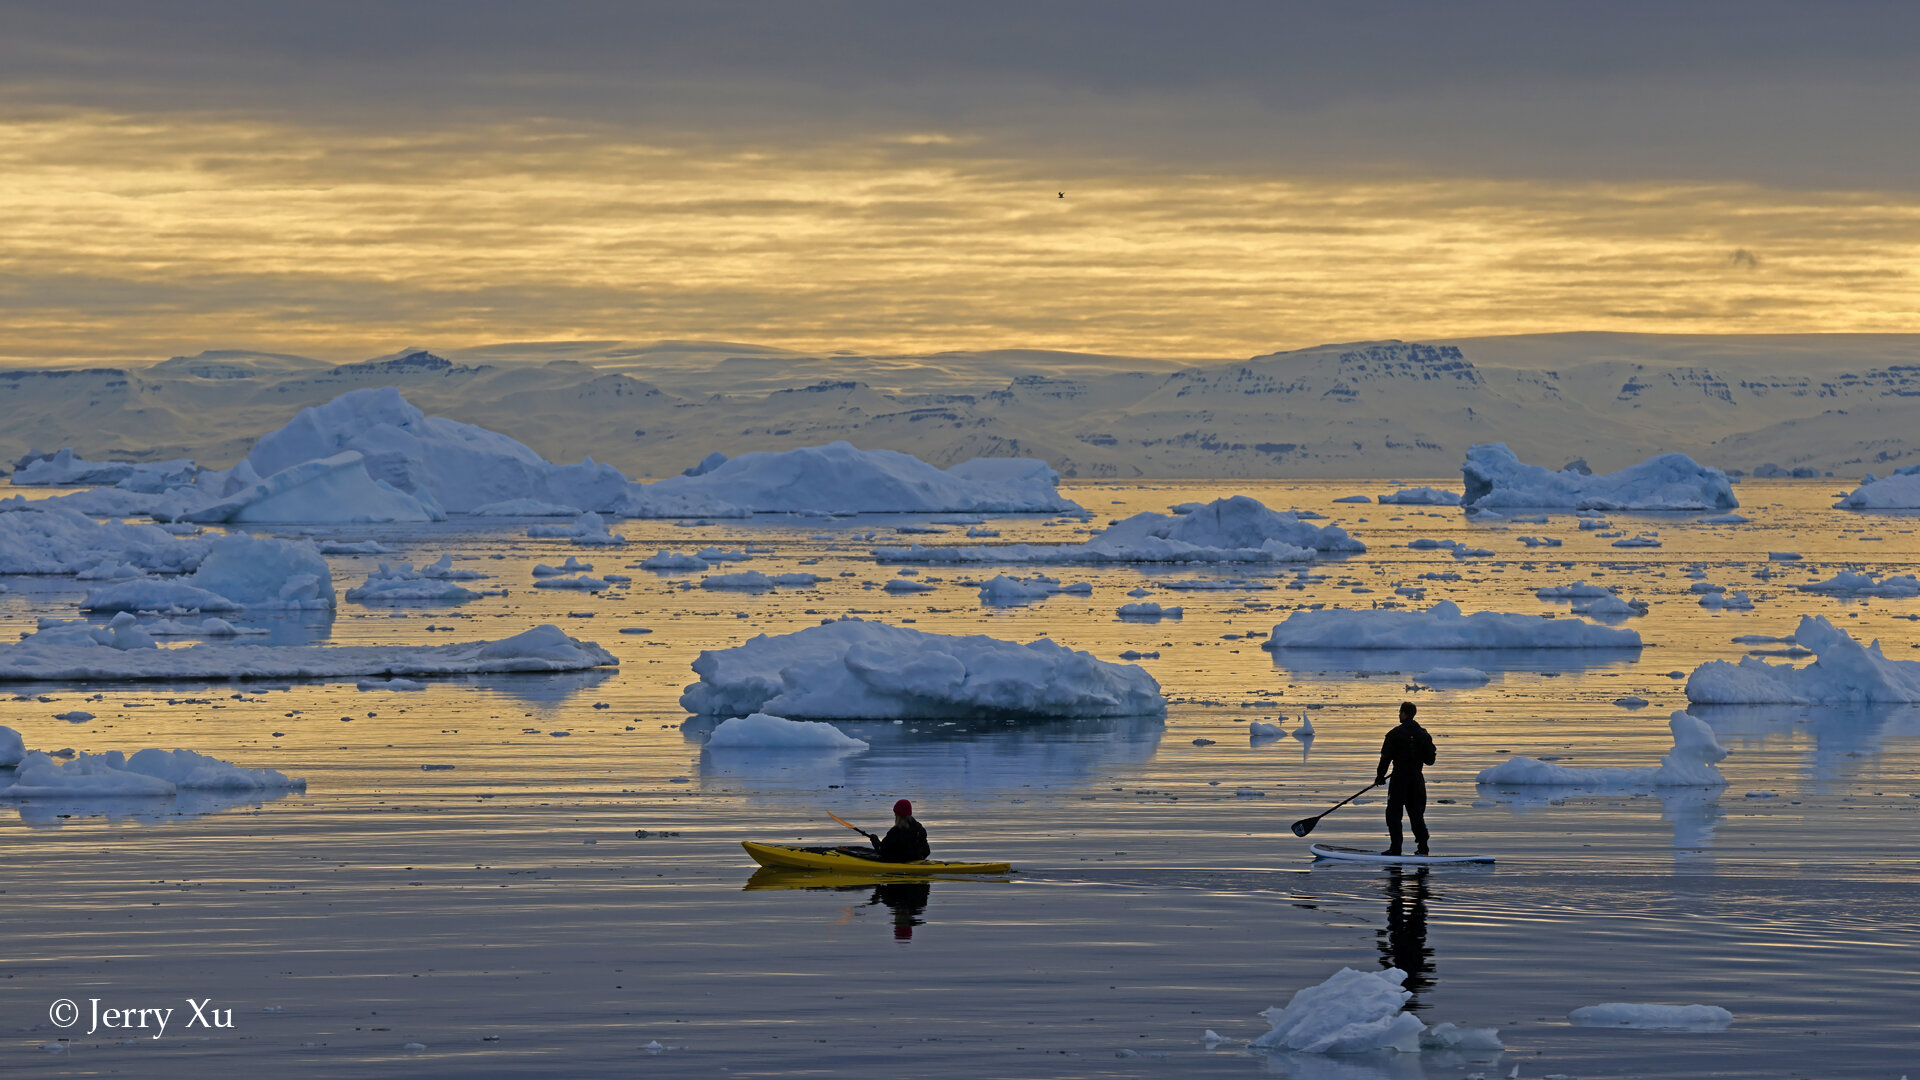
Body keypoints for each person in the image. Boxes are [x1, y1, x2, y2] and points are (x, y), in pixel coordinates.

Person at [1375, 701, 1436, 856]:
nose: (1399, 714)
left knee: (1393, 814)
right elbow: (1430, 760)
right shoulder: (1423, 734)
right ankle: (1423, 846)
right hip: (1416, 779)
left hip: (1399, 779)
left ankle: (1396, 848)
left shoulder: (1394, 734)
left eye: (1400, 712)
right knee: (1416, 814)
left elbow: (1385, 758)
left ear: (1404, 713)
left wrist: (1380, 776)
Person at [861, 799, 930, 863]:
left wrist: (874, 840)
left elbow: (882, 850)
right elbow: (927, 851)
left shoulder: (895, 832)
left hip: (899, 862)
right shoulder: (920, 829)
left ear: (897, 815)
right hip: (916, 860)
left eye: (895, 813)